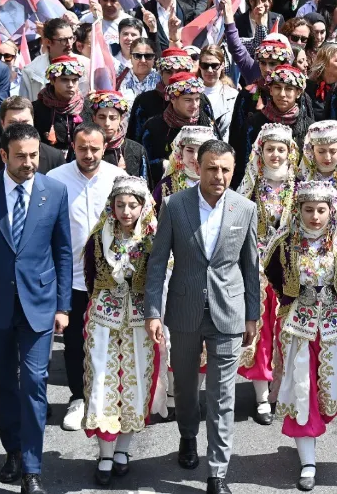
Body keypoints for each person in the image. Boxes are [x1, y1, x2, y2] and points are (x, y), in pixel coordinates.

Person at [0, 123, 74, 494]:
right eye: (21, 156)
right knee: (5, 382)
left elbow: (62, 251)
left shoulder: (54, 191)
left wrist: (63, 306)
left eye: (34, 155)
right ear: (4, 155)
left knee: (35, 383)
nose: (29, 162)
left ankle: (31, 467)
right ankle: (11, 451)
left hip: (39, 304)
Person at [144, 139, 257, 494]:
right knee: (187, 386)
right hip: (184, 310)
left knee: (223, 395)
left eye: (225, 169)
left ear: (233, 170)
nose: (219, 175)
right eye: (212, 168)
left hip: (229, 312)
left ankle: (217, 472)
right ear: (198, 167)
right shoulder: (175, 206)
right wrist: (153, 312)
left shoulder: (245, 208)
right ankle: (188, 435)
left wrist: (252, 314)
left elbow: (250, 267)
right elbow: (158, 261)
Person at [263, 179, 337, 491]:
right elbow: (273, 274)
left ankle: (310, 439)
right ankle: (308, 461)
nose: (315, 216)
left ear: (331, 211)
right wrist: (290, 302)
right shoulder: (284, 241)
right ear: (298, 210)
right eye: (309, 210)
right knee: (300, 388)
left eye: (321, 210)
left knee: (327, 389)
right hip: (298, 325)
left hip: (332, 324)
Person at [80, 175, 166, 486]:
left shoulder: (154, 238)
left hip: (141, 321)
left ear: (143, 207)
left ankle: (123, 451)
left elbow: (160, 279)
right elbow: (91, 277)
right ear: (112, 207)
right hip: (104, 317)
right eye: (120, 205)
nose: (126, 211)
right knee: (103, 383)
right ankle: (104, 452)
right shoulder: (99, 236)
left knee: (134, 383)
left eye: (133, 205)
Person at [46, 123, 127, 432]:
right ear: (73, 148)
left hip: (113, 277)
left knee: (112, 338)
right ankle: (78, 399)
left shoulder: (118, 179)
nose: (89, 154)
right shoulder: (56, 180)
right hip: (72, 276)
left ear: (104, 148)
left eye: (95, 148)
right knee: (74, 340)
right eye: (83, 149)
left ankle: (109, 397)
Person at [236, 123, 300, 424]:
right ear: (260, 152)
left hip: (290, 269)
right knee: (260, 332)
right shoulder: (250, 186)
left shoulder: (300, 187)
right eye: (269, 149)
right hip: (258, 269)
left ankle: (282, 390)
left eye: (281, 149)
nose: (275, 155)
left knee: (289, 332)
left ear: (290, 153)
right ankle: (262, 396)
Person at [141, 71, 216, 187]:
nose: (195, 105)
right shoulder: (154, 126)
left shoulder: (206, 122)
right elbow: (143, 162)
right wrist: (163, 164)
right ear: (172, 99)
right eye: (188, 100)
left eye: (197, 99)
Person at [152, 126, 217, 203]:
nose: (195, 157)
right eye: (190, 151)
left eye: (201, 151)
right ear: (180, 152)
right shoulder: (166, 186)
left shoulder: (217, 184)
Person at [89, 91, 147, 178]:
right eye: (102, 117)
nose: (107, 123)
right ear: (94, 118)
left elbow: (145, 186)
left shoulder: (136, 150)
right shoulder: (85, 147)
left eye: (113, 118)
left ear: (121, 119)